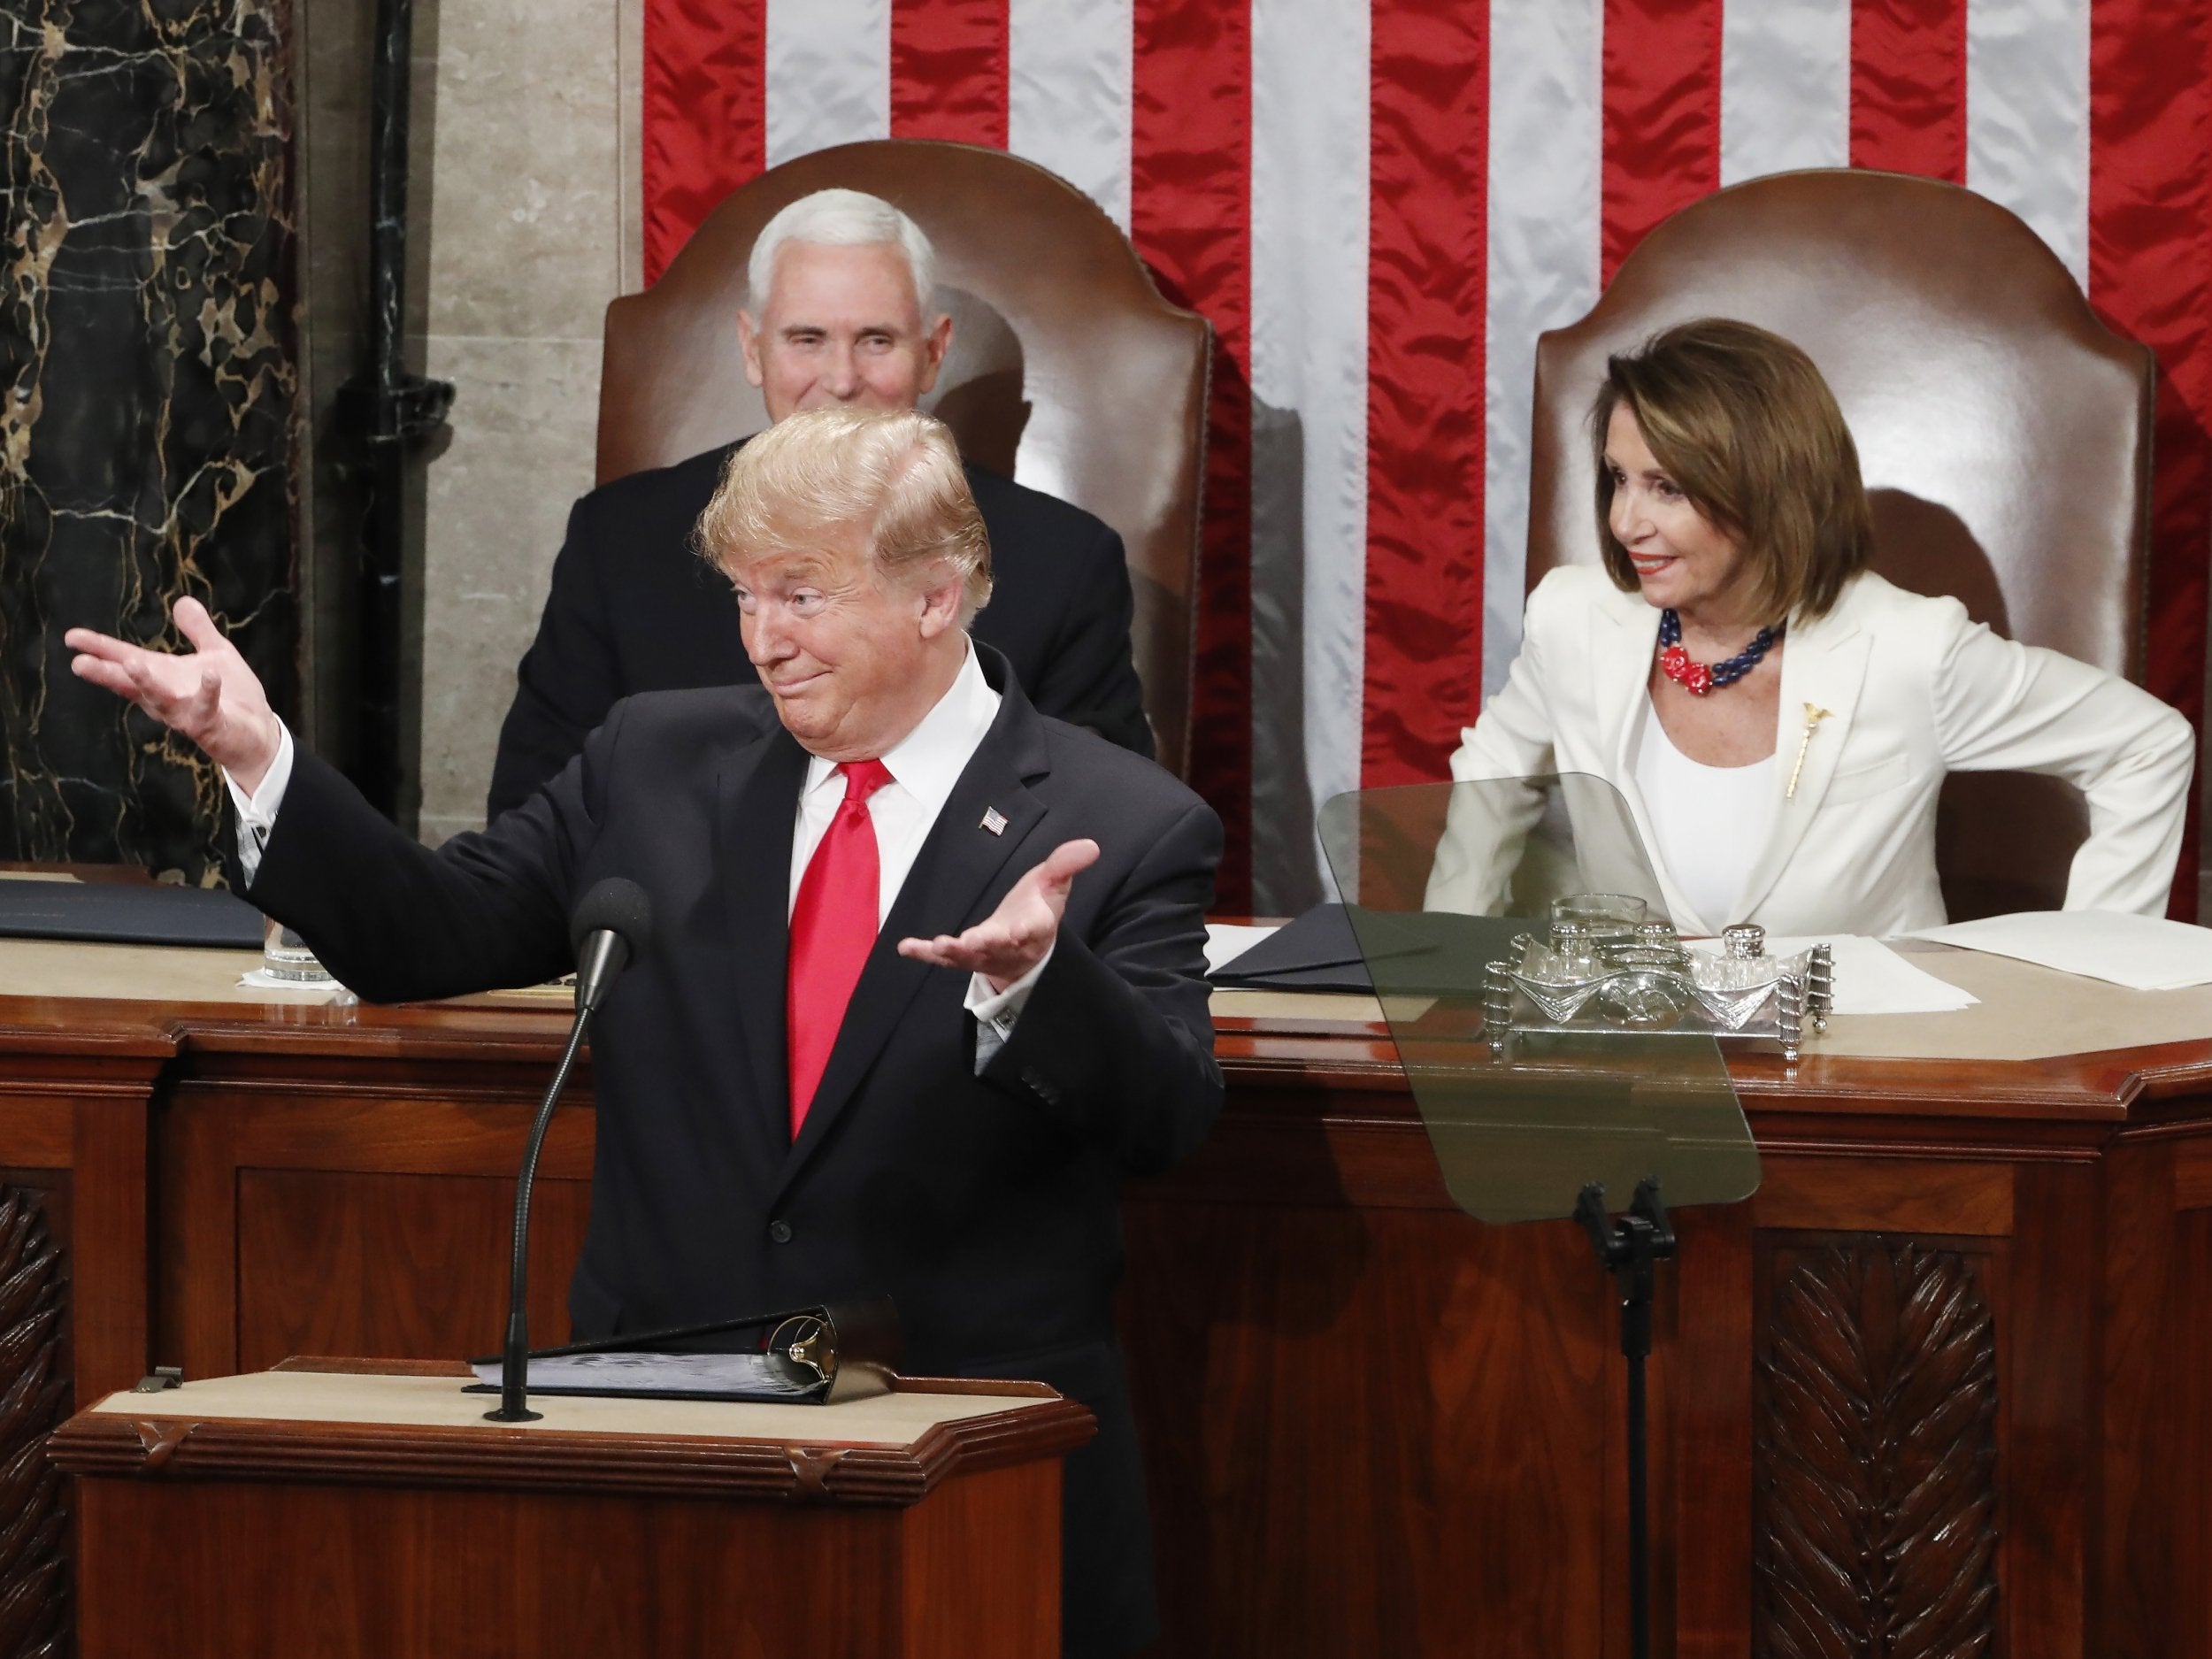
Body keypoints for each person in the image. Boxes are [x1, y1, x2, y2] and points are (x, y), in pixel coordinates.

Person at [67, 407, 1221, 1659]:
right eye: (742, 596)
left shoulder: (1123, 822)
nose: (762, 639)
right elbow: (430, 934)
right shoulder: (651, 759)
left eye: (801, 594)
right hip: (660, 1456)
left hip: (969, 1474)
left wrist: (1038, 985)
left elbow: (1169, 1117)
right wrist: (258, 756)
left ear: (937, 595)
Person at [1428, 317, 2193, 936]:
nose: (1626, 520)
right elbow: (1495, 768)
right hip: (1642, 1071)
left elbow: (2146, 744)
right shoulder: (1573, 617)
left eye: (1666, 487)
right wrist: (1446, 976)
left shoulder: (1907, 648)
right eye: (1619, 479)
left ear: (1764, 487)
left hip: (1858, 1081)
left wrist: (2097, 976)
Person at [487, 187, 1154, 818]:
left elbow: (1097, 823)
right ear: (753, 349)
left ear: (933, 352)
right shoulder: (620, 541)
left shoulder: (1063, 561)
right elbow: (537, 815)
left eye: (876, 340)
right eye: (806, 339)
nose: (840, 381)